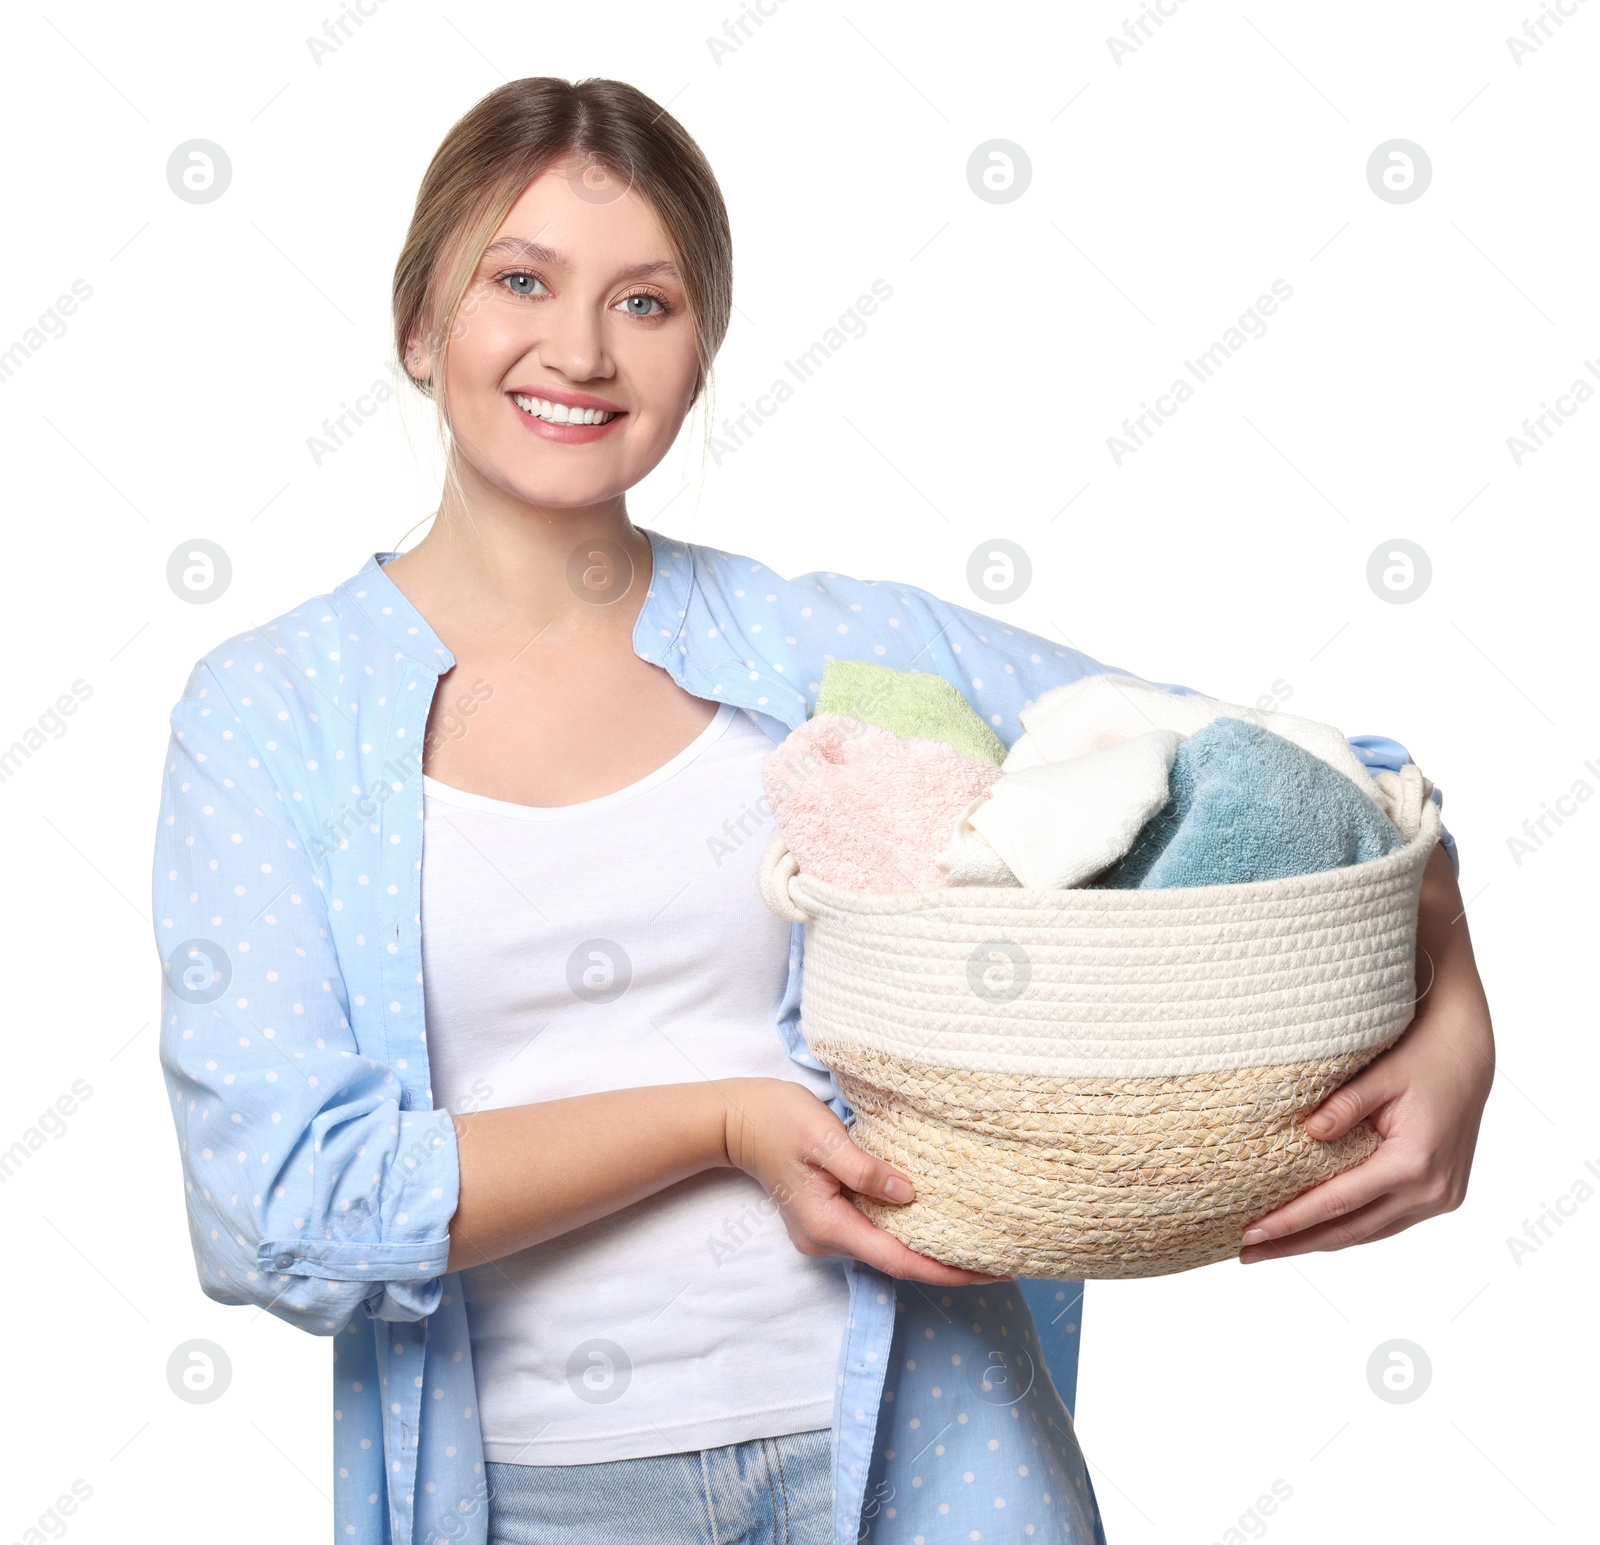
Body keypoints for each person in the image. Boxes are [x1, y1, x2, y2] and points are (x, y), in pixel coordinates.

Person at [151, 76, 1494, 1545]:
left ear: (699, 349)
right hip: (545, 1497)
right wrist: (721, 1121)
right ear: (420, 327)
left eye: (646, 302)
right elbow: (282, 1207)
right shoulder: (271, 712)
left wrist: (1457, 1021)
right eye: (519, 280)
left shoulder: (827, 652)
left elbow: (1313, 768)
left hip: (939, 1459)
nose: (580, 350)